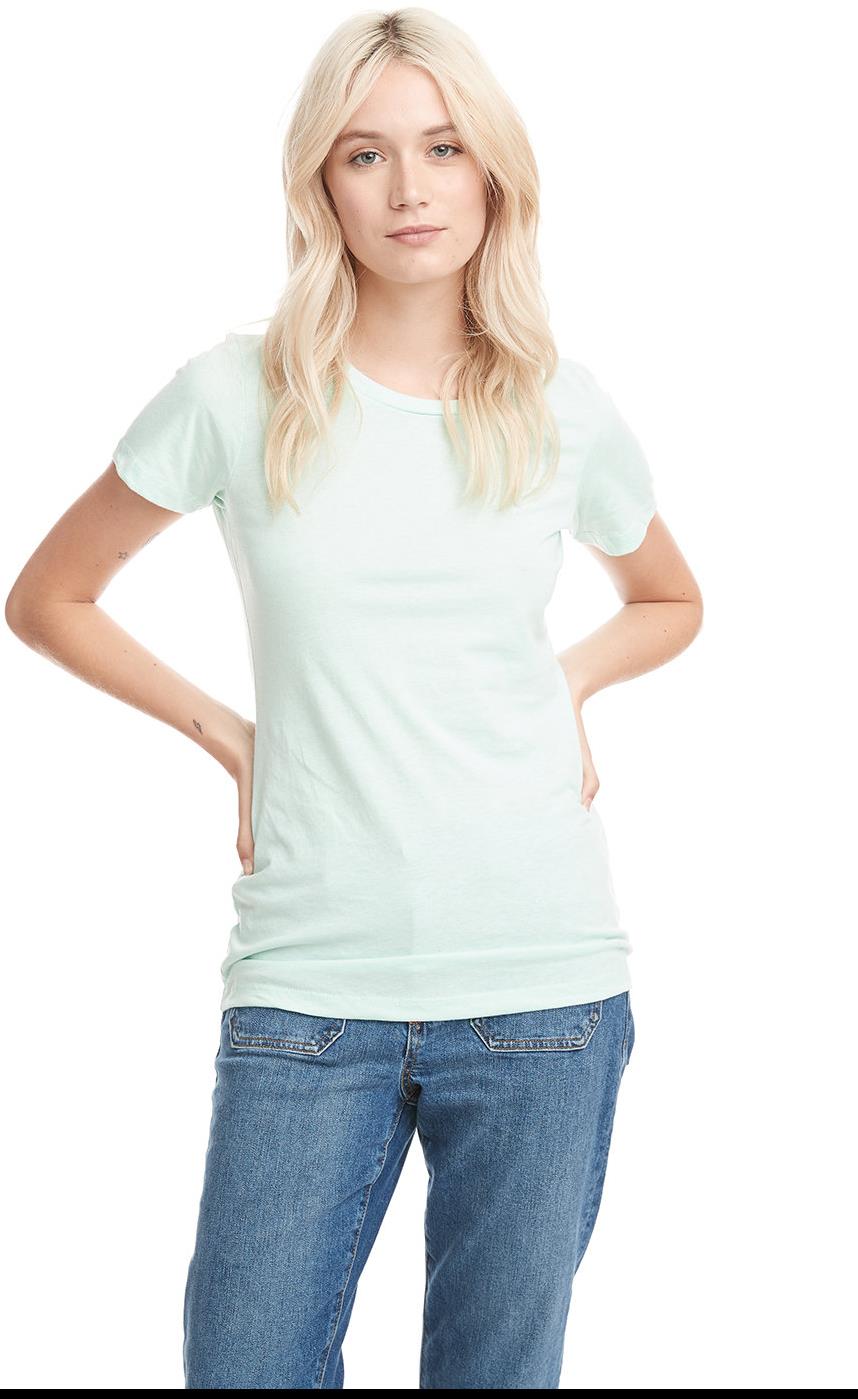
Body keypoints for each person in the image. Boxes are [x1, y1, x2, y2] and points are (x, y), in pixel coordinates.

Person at [5, 8, 703, 1389]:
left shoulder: (562, 407)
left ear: (492, 171)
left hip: (544, 987)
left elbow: (669, 600)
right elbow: (49, 597)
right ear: (319, 183)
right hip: (308, 987)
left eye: (442, 148)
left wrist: (565, 683)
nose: (408, 188)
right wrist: (232, 740)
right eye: (365, 153)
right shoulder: (237, 394)